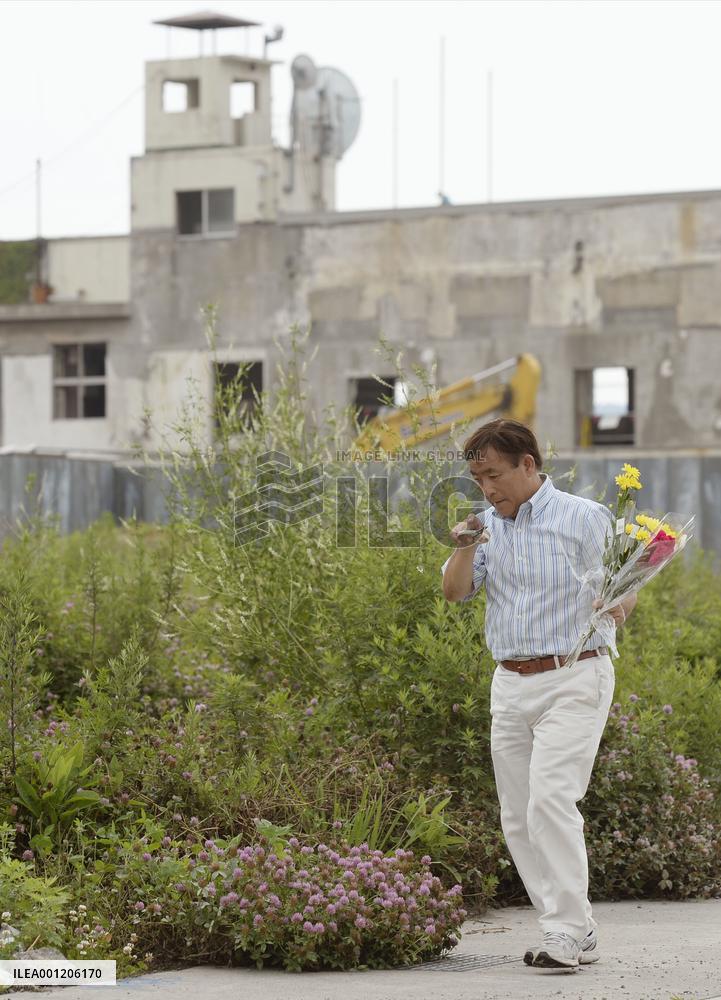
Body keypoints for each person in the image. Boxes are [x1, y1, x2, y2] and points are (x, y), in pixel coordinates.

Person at [440, 417, 636, 970]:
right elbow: (455, 593)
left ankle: (567, 933)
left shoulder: (586, 517)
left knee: (551, 799)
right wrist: (462, 547)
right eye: (478, 478)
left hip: (575, 673)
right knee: (519, 815)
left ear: (528, 465)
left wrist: (618, 603)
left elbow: (627, 587)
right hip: (509, 682)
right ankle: (573, 928)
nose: (487, 488)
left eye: (494, 474)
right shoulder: (484, 526)